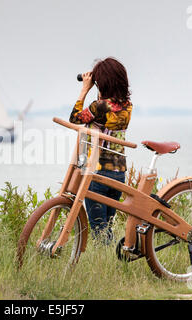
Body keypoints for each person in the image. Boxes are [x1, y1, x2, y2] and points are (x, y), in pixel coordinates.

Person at [69, 57, 133, 245]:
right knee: (107, 228)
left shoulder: (100, 106)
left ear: (102, 83)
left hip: (97, 173)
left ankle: (105, 267)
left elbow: (75, 118)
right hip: (118, 174)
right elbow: (105, 117)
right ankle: (112, 263)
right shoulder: (127, 106)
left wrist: (84, 89)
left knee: (99, 231)